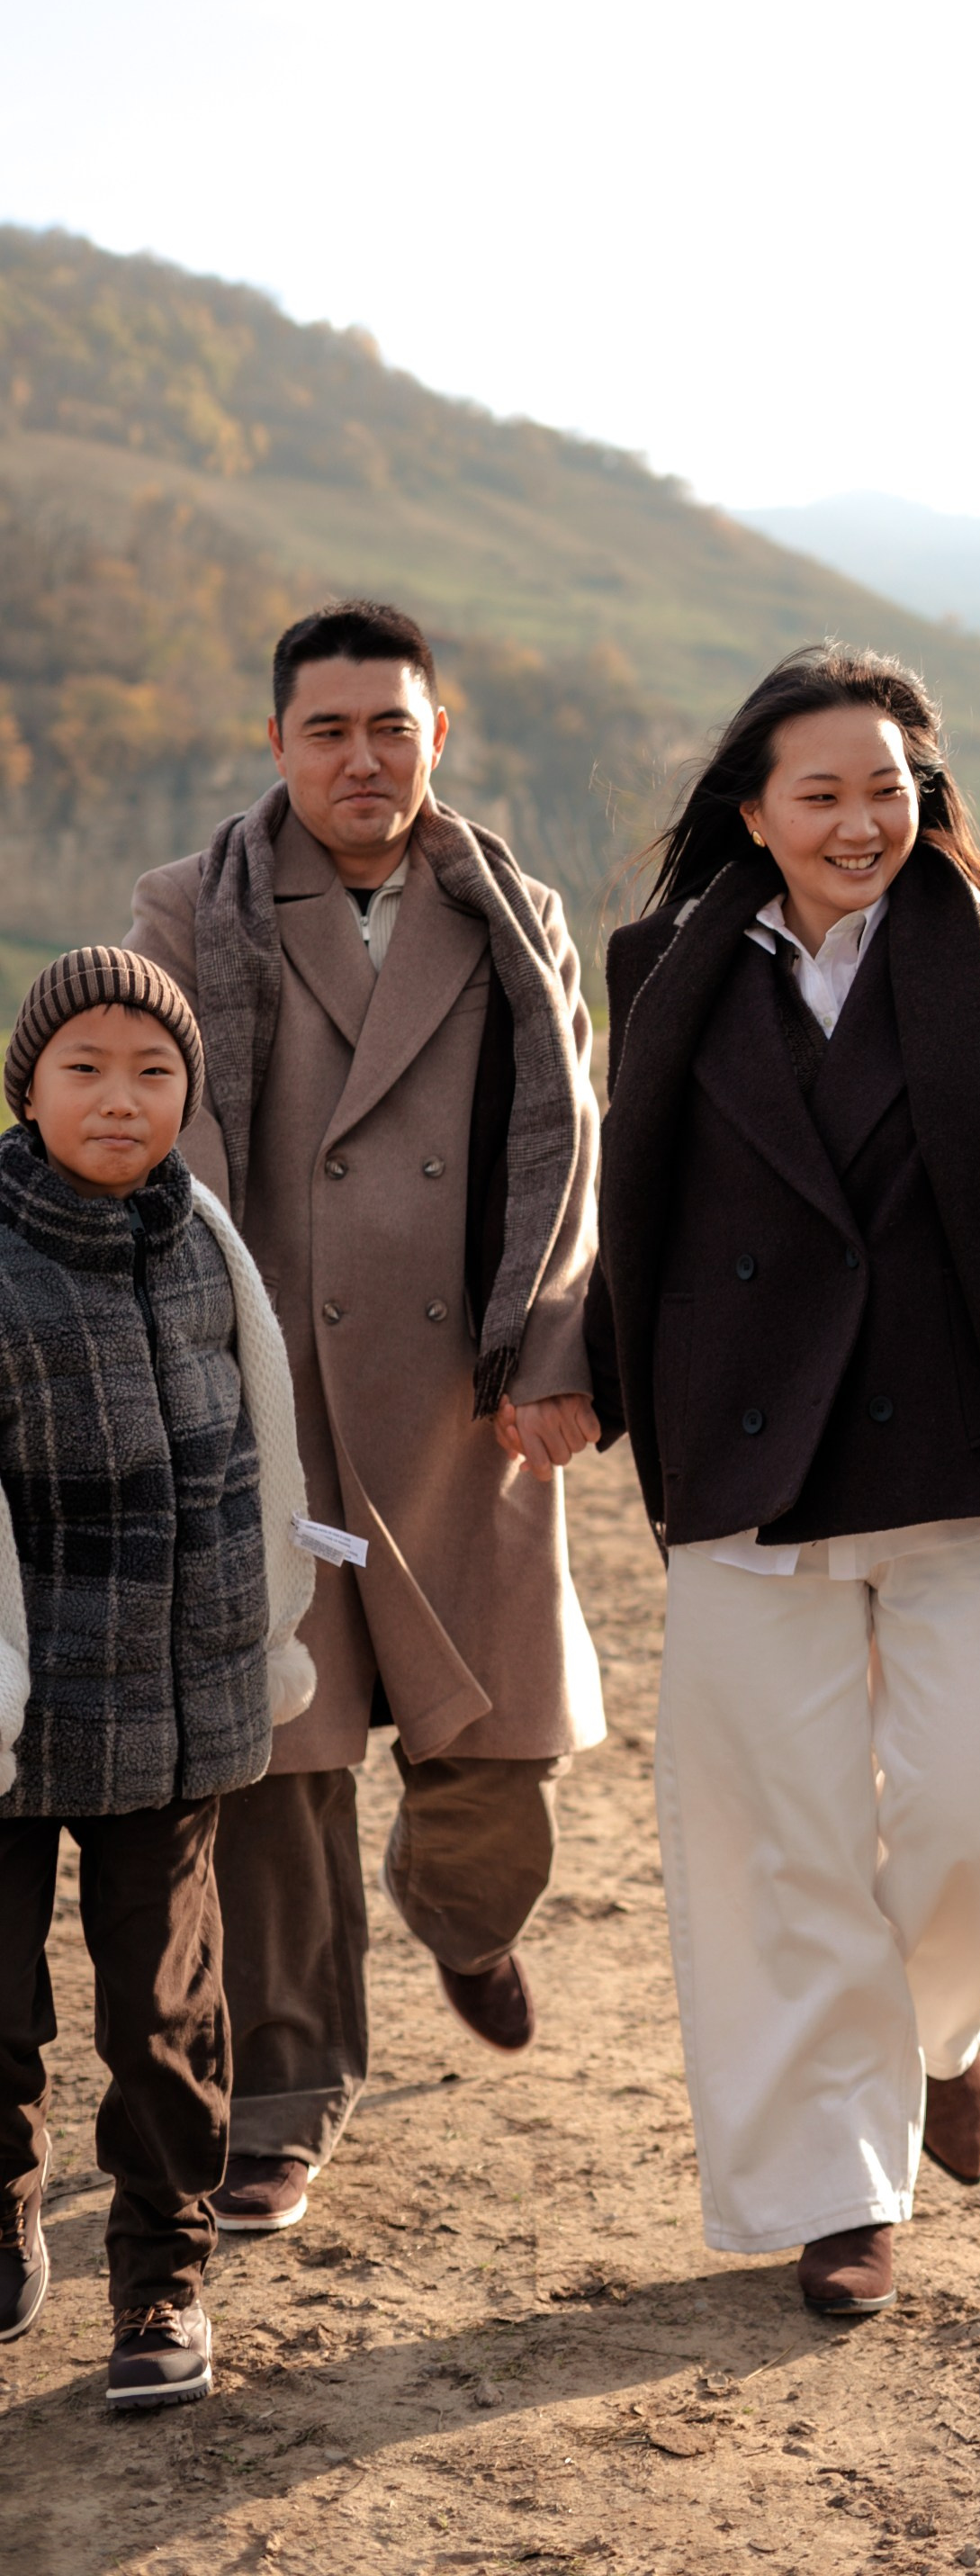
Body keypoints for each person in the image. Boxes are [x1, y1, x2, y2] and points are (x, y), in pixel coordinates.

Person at [586, 642, 980, 2317]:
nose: (866, 819)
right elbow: (638, 1202)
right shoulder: (666, 964)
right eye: (826, 792)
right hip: (742, 1449)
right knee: (775, 1846)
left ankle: (941, 2024)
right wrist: (572, 1379)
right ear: (756, 806)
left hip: (961, 1433)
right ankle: (841, 2191)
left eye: (893, 787)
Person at [126, 600, 603, 2238]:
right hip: (272, 1399)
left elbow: (569, 1146)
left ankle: (464, 1924)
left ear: (437, 736)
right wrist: (190, 1369)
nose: (361, 758)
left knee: (503, 1747)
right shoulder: (189, 910)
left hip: (467, 1399)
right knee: (284, 1760)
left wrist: (553, 1341)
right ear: (278, 745)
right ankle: (287, 2097)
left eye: (391, 727)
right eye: (327, 730)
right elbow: (162, 1141)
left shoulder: (514, 916)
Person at [0, 950, 317, 2409]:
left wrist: (257, 1653)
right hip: (7, 1712)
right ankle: (4, 2207)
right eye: (85, 1071)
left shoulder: (207, 1249)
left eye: (153, 1073)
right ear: (26, 1088)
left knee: (167, 2016)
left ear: (189, 1092)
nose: (120, 1100)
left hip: (166, 1713)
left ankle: (163, 2285)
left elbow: (261, 1461)